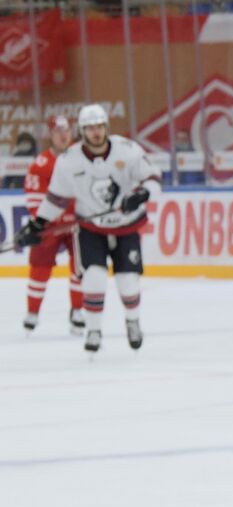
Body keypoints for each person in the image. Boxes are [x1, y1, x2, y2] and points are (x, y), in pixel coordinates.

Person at [19, 104, 159, 355]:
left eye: (99, 127)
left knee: (128, 282)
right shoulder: (68, 160)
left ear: (106, 127)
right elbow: (56, 199)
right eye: (90, 128)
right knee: (93, 277)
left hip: (126, 227)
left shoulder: (127, 150)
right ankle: (93, 330)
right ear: (82, 131)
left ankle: (133, 321)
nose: (95, 132)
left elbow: (154, 178)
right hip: (91, 228)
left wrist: (141, 194)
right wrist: (37, 223)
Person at [20, 116, 84, 336]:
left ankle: (77, 310)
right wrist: (47, 220)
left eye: (66, 130)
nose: (63, 134)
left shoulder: (80, 158)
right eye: (58, 131)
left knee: (80, 267)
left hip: (76, 224)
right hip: (50, 227)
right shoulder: (40, 164)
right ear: (51, 134)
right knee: (39, 267)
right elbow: (34, 200)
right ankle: (33, 312)